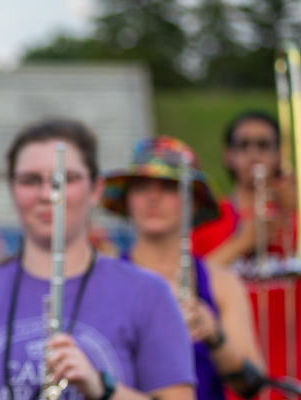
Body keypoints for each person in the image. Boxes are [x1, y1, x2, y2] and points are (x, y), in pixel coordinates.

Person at [0, 120, 196, 400]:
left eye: (65, 179)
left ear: (96, 189)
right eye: (30, 181)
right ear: (11, 188)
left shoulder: (148, 294)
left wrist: (101, 387)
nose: (47, 195)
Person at [192, 111, 301, 396]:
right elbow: (187, 284)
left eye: (264, 145)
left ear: (279, 155)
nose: (254, 153)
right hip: (223, 389)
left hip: (292, 387)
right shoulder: (209, 220)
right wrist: (243, 243)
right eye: (244, 145)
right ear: (229, 156)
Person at [101, 136, 266, 400]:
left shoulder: (221, 283)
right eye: (142, 187)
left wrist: (214, 336)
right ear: (127, 200)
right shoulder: (103, 279)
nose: (153, 198)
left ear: (194, 201)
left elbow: (253, 385)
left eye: (168, 187)